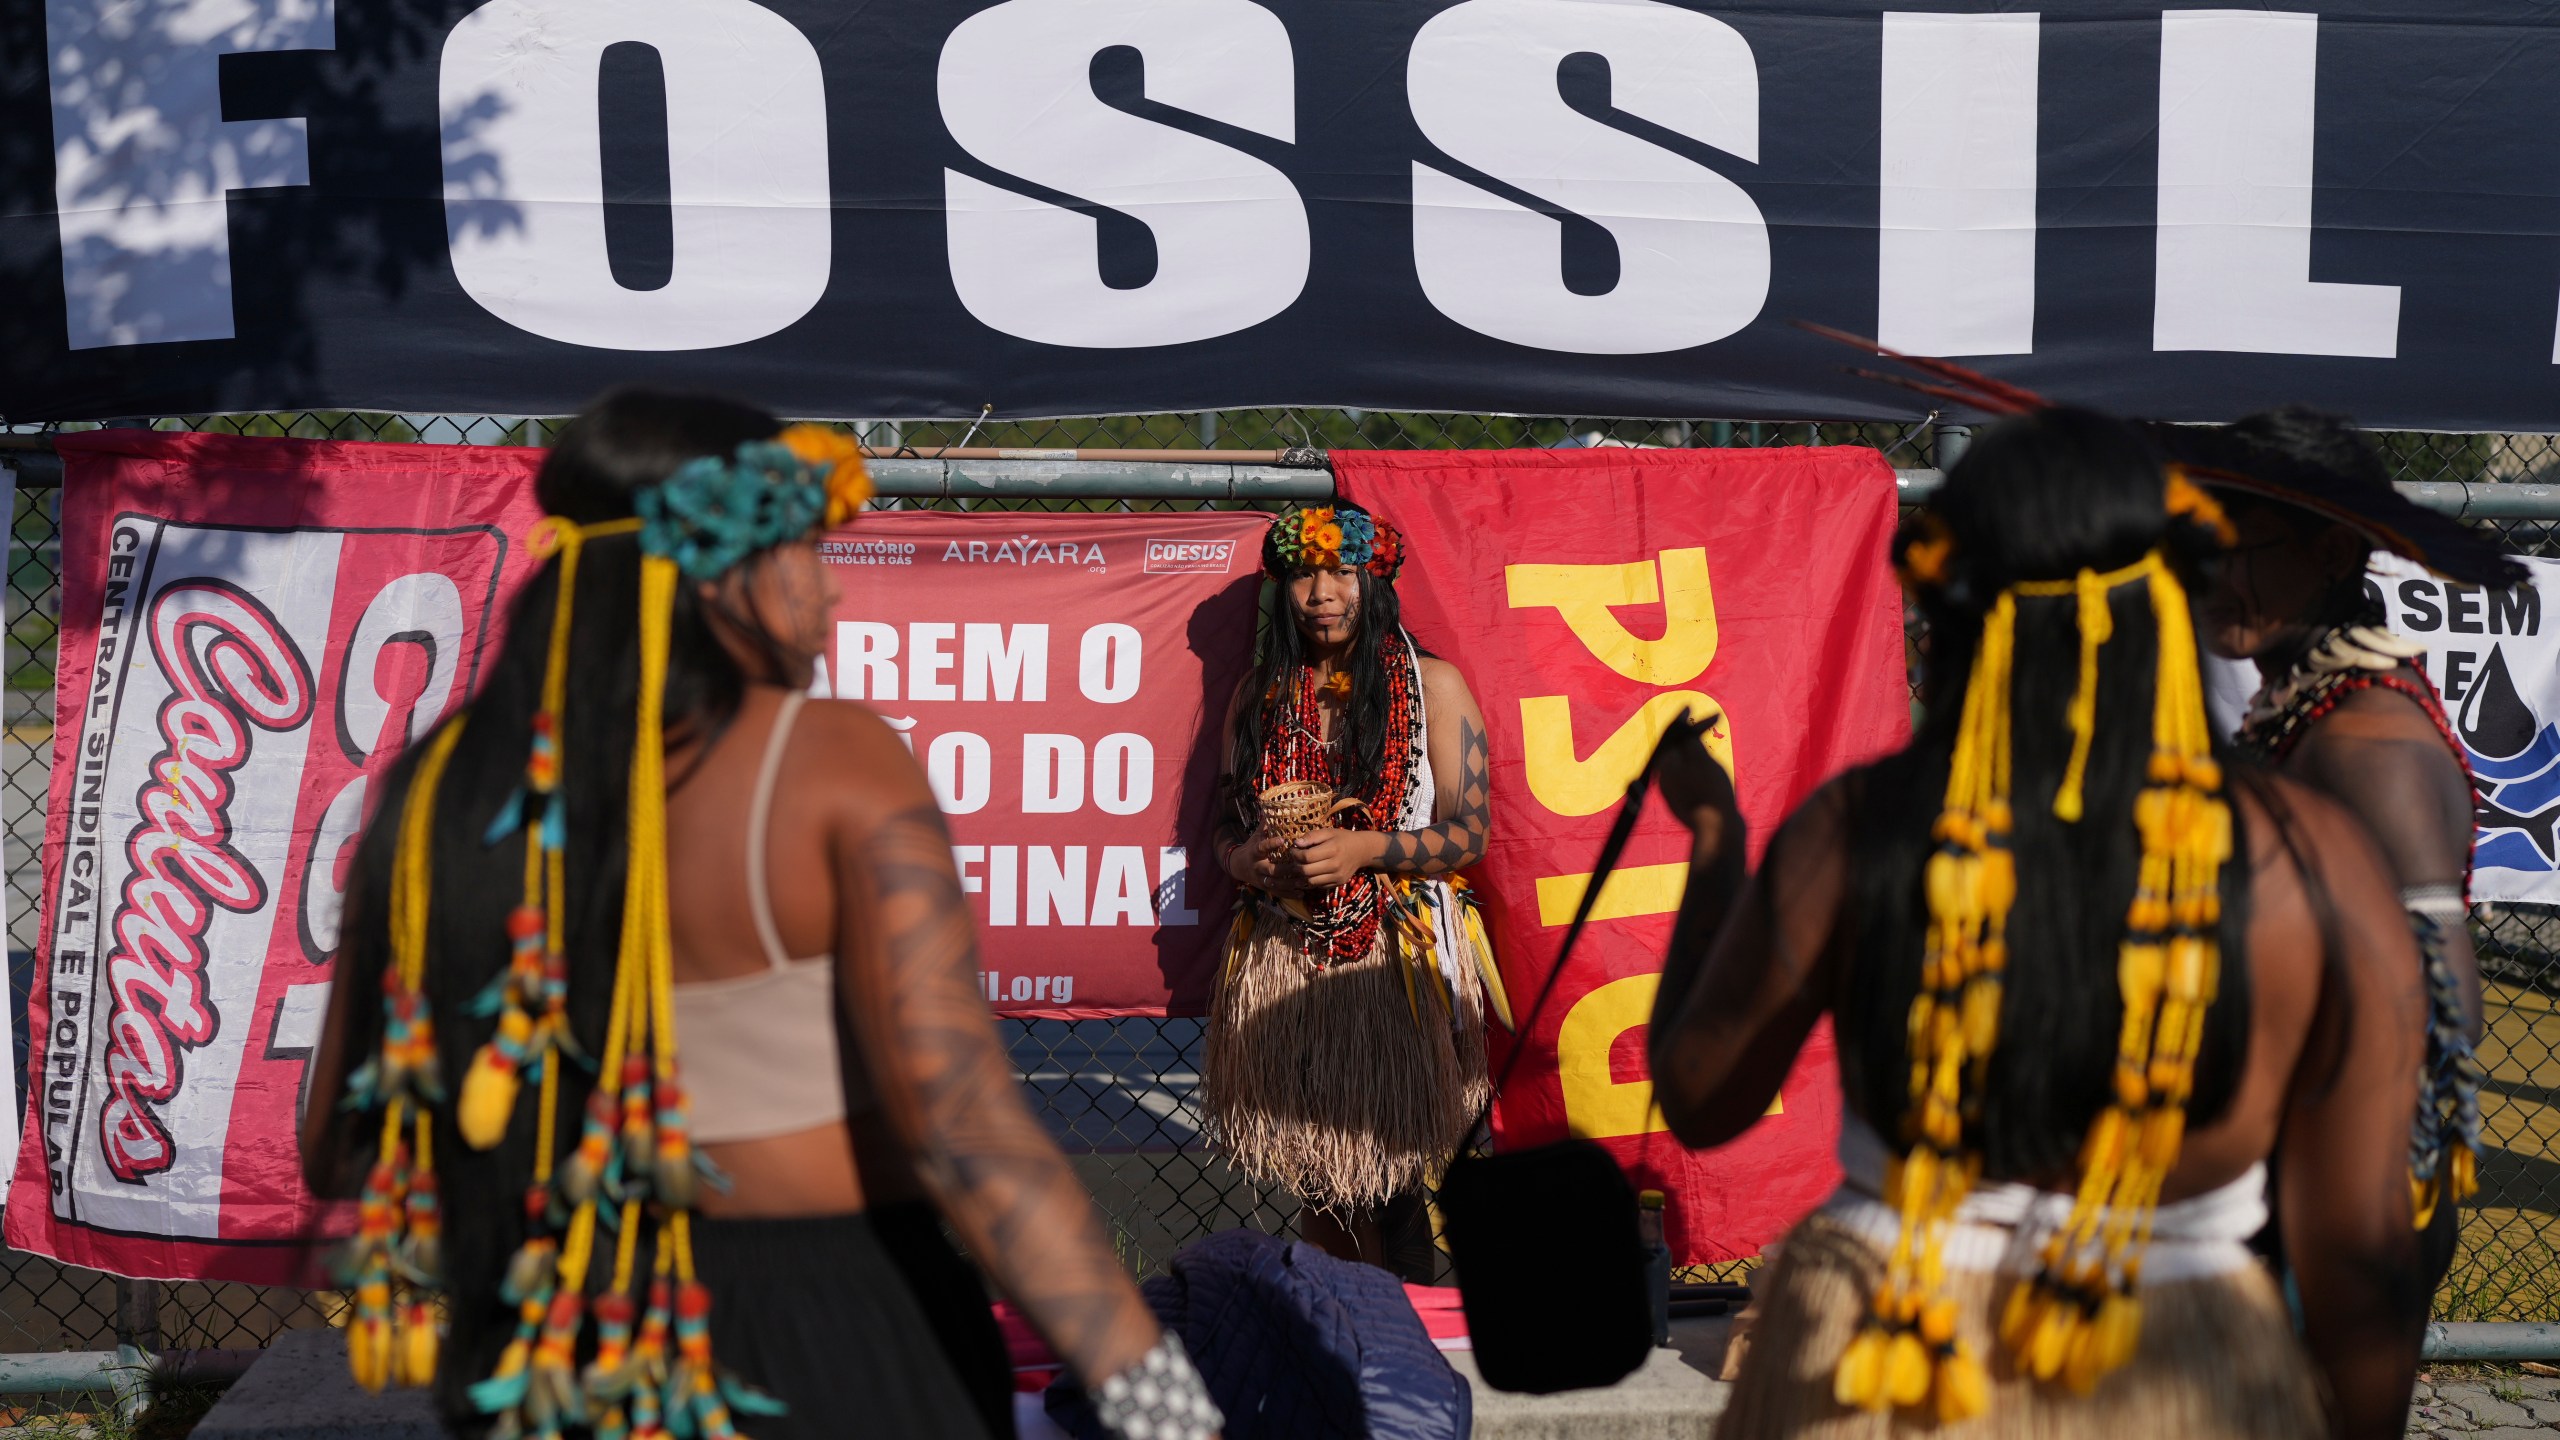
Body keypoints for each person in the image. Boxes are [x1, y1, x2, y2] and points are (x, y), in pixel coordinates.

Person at [301, 390, 1220, 1440]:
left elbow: (340, 1145)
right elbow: (965, 1137)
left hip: (549, 1357)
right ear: (722, 569)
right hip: (827, 1341)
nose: (828, 595)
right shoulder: (826, 761)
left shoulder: (441, 788)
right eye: (804, 554)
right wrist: (1169, 1414)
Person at [1647, 408, 2428, 1439]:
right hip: (2185, 1369)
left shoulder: (1857, 830)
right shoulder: (2312, 861)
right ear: (2173, 597)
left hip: (1882, 1363)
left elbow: (1700, 1099)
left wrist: (1712, 842)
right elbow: (2359, 1263)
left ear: (1949, 607)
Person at [2174, 406, 2521, 1298]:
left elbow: (2445, 1018)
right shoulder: (2301, 713)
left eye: (2238, 549)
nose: (2210, 576)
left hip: (2331, 1212)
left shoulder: (2369, 745)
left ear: (2331, 554)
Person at [1203, 502, 1502, 1283]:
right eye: (1303, 573)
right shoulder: (1260, 697)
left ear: (1375, 582)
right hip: (1287, 951)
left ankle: (1400, 1334)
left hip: (1394, 958)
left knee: (1395, 1171)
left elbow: (1470, 833)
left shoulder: (1433, 686)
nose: (1322, 591)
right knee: (1325, 1179)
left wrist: (1366, 848)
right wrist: (1248, 865)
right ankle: (1354, 1334)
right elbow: (1222, 823)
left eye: (1340, 571)